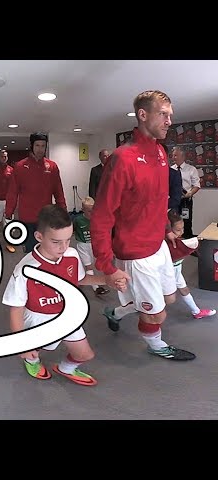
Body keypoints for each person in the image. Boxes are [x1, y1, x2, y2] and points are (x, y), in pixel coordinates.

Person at [91, 89, 196, 361]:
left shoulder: (161, 153)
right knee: (155, 312)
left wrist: (166, 231)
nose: (169, 121)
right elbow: (102, 215)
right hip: (135, 251)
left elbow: (158, 201)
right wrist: (106, 265)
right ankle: (157, 346)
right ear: (142, 114)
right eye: (163, 114)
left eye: (170, 115)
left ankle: (115, 312)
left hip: (157, 244)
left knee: (169, 299)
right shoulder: (122, 158)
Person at [2, 205, 125, 386]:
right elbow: (16, 310)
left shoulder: (72, 254)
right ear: (39, 237)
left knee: (85, 355)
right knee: (34, 351)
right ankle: (32, 361)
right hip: (38, 317)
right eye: (56, 242)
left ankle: (65, 368)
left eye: (68, 240)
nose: (63, 247)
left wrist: (106, 280)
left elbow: (80, 279)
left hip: (66, 315)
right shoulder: (25, 269)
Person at [105, 210, 215, 329]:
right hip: (159, 275)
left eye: (182, 229)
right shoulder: (163, 247)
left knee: (182, 291)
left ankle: (196, 311)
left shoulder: (177, 243)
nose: (181, 232)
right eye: (178, 230)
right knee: (151, 304)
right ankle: (116, 313)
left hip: (175, 273)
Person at [6, 132, 67, 253]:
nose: (40, 149)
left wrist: (63, 211)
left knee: (47, 251)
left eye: (43, 146)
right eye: (37, 145)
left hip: (46, 218)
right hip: (27, 218)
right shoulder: (20, 166)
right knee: (31, 252)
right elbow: (13, 192)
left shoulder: (52, 166)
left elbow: (58, 192)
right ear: (32, 146)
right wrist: (8, 213)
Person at [73, 197, 109, 295]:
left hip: (94, 245)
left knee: (96, 265)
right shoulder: (78, 220)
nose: (91, 213)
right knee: (88, 266)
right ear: (83, 209)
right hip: (82, 245)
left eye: (93, 211)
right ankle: (96, 288)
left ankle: (90, 280)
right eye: (89, 211)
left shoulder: (97, 219)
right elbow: (72, 230)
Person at [171, 145, 201, 238]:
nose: (173, 158)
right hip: (173, 201)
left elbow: (197, 185)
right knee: (174, 222)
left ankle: (188, 244)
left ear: (182, 156)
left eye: (175, 155)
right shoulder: (170, 169)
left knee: (186, 223)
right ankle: (175, 245)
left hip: (185, 201)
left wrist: (190, 193)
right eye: (172, 155)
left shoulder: (191, 169)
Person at [0, 150, 16, 253]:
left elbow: (15, 186)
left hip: (9, 201)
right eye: (2, 156)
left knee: (9, 223)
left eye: (5, 156)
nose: (4, 158)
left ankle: (9, 242)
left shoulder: (11, 170)